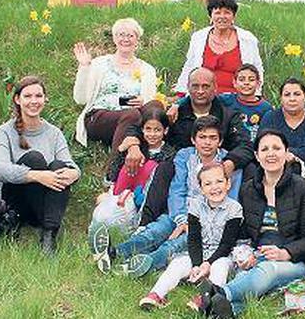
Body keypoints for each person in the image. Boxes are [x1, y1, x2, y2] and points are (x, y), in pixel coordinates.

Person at [201, 130, 305, 318]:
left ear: (286, 152)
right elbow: (243, 232)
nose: (271, 153)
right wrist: (245, 253)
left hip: (296, 260)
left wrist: (285, 253)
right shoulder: (248, 189)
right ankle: (225, 311)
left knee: (267, 270)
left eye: (276, 148)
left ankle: (219, 293)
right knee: (247, 275)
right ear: (257, 156)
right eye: (264, 149)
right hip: (259, 255)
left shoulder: (303, 187)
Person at [103, 116, 244, 277]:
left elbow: (230, 198)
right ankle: (115, 253)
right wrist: (182, 219)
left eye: (213, 138)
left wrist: (197, 223)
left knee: (175, 244)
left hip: (208, 222)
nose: (207, 142)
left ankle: (141, 265)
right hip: (180, 212)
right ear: (193, 140)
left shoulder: (228, 164)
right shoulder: (185, 156)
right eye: (202, 137)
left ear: (220, 141)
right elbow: (177, 190)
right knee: (156, 230)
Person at [0, 76, 81, 255]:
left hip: (43, 203)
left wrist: (74, 174)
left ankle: (49, 235)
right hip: (14, 201)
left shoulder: (54, 133)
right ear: (18, 99)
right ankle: (23, 224)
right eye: (28, 96)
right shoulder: (3, 132)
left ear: (45, 99)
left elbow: (71, 165)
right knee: (34, 159)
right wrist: (37, 175)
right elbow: (0, 170)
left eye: (38, 96)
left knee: (59, 165)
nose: (34, 101)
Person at [138, 164, 242, 311]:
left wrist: (208, 264)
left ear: (228, 183)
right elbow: (193, 239)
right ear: (201, 188)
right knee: (178, 263)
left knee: (220, 267)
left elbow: (227, 244)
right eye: (208, 183)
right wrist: (197, 264)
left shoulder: (234, 208)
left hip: (222, 255)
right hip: (198, 253)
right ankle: (156, 294)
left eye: (219, 181)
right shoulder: (195, 206)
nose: (214, 187)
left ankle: (205, 299)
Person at [122, 67, 252, 180]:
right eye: (195, 86)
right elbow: (139, 128)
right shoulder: (173, 114)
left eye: (205, 86)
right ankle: (150, 208)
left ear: (215, 88)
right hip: (178, 168)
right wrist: (133, 145)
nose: (200, 91)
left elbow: (245, 145)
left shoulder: (228, 116)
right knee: (164, 168)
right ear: (188, 87)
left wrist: (230, 162)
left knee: (250, 168)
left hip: (217, 169)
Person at [89, 104, 177, 239]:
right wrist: (121, 150)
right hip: (122, 193)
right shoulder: (134, 148)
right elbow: (112, 175)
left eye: (157, 130)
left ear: (165, 131)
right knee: (104, 214)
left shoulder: (169, 154)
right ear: (142, 129)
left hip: (146, 200)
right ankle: (100, 236)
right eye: (148, 129)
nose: (152, 134)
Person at [72, 17, 158, 150]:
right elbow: (80, 99)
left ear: (137, 40)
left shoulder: (147, 69)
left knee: (140, 113)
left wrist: (143, 100)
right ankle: (114, 166)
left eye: (130, 35)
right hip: (99, 118)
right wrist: (84, 68)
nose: (125, 39)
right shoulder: (99, 64)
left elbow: (150, 102)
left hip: (132, 121)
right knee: (132, 115)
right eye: (121, 35)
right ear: (114, 38)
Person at [175, 0, 264, 95]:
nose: (222, 16)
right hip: (203, 97)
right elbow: (189, 65)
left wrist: (255, 95)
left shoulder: (248, 39)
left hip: (238, 98)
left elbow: (257, 68)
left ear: (233, 16)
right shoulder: (198, 37)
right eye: (217, 13)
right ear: (211, 16)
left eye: (227, 12)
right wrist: (181, 94)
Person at [172, 64, 273, 143]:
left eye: (251, 80)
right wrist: (177, 104)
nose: (246, 83)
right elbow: (200, 97)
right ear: (234, 82)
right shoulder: (226, 99)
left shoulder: (265, 107)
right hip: (231, 141)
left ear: (259, 83)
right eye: (242, 79)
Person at [258, 78, 305, 179]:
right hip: (272, 166)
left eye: (297, 94)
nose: (292, 99)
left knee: (294, 167)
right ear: (281, 98)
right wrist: (282, 155)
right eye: (287, 95)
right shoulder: (270, 117)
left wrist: (283, 154)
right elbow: (261, 144)